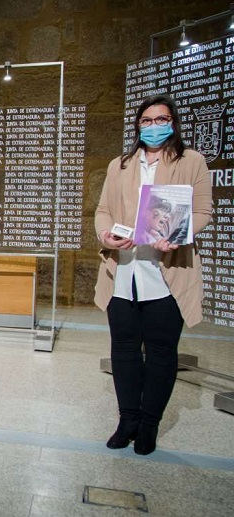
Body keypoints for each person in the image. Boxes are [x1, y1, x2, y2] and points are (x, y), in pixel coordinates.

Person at [94, 94, 213, 455]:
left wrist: (178, 236)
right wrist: (105, 235)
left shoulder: (191, 161)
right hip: (124, 273)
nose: (153, 126)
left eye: (160, 119)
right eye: (146, 121)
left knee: (162, 353)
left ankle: (149, 425)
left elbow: (203, 211)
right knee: (124, 352)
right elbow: (102, 210)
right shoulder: (121, 164)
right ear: (137, 125)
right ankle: (127, 419)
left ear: (172, 122)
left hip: (166, 275)